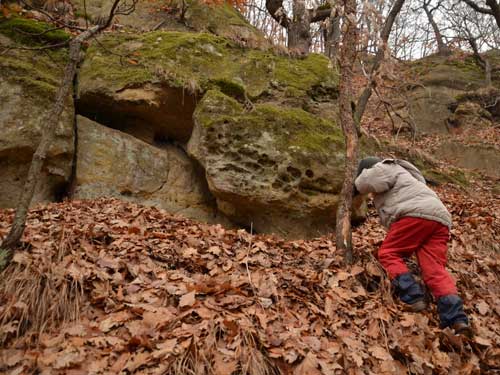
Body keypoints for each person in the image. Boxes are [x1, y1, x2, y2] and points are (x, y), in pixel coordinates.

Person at [354, 157, 471, 336]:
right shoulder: (409, 177)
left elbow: (366, 181)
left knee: (388, 253)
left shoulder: (385, 167)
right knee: (434, 269)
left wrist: (352, 187)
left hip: (415, 213)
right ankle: (456, 319)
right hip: (440, 219)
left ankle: (412, 296)